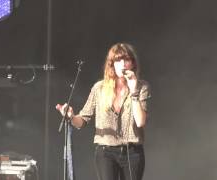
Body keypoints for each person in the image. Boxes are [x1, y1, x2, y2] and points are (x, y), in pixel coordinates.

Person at [56, 43, 151, 180]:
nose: (123, 64)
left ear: (133, 64)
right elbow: (82, 120)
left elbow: (140, 121)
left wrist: (134, 91)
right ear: (112, 64)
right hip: (106, 152)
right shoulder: (99, 88)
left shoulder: (142, 87)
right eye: (118, 60)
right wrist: (71, 117)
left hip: (132, 152)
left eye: (127, 60)